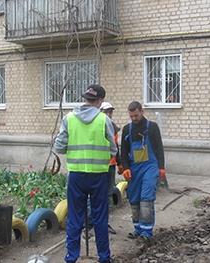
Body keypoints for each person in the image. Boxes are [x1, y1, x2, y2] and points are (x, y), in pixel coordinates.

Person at [54, 84, 117, 263]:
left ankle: (71, 257)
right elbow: (113, 150)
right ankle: (104, 258)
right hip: (98, 177)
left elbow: (59, 147)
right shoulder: (104, 120)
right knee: (100, 218)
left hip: (76, 176)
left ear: (85, 98)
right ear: (100, 101)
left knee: (75, 218)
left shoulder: (69, 119)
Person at [120, 101, 165, 241]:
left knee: (146, 197)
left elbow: (159, 147)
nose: (134, 118)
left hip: (150, 166)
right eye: (131, 116)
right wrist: (125, 167)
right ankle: (137, 228)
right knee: (133, 198)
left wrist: (161, 167)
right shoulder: (127, 129)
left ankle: (147, 231)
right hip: (134, 168)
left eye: (136, 115)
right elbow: (124, 151)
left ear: (142, 111)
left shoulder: (152, 127)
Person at [82, 102, 123, 239]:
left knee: (107, 196)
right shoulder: (96, 126)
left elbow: (115, 147)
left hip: (110, 167)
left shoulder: (113, 127)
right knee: (94, 197)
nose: (109, 114)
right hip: (98, 167)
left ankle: (103, 224)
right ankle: (87, 226)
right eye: (106, 112)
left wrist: (119, 163)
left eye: (111, 112)